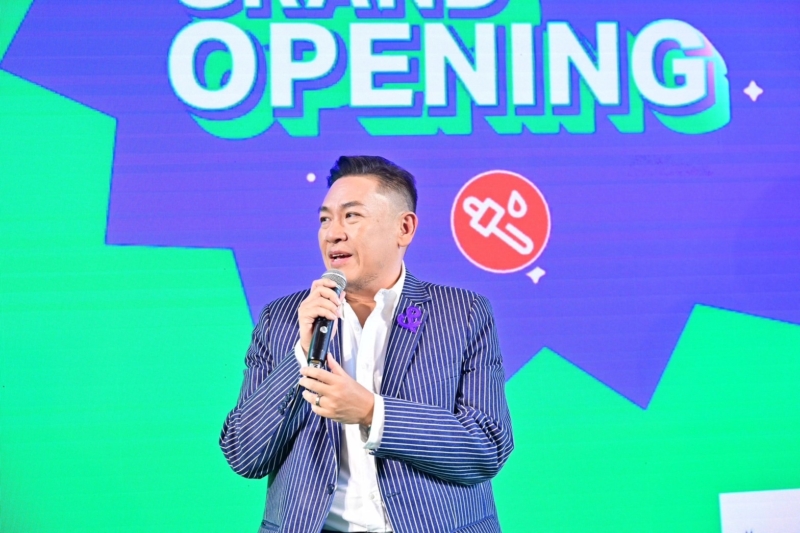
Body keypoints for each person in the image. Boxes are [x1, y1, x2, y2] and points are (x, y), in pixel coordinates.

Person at [220, 155, 514, 533]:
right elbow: (243, 455)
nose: (333, 233)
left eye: (351, 216)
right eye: (325, 219)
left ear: (404, 228)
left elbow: (486, 446)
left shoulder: (462, 313)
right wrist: (301, 356)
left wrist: (372, 412)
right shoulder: (281, 320)